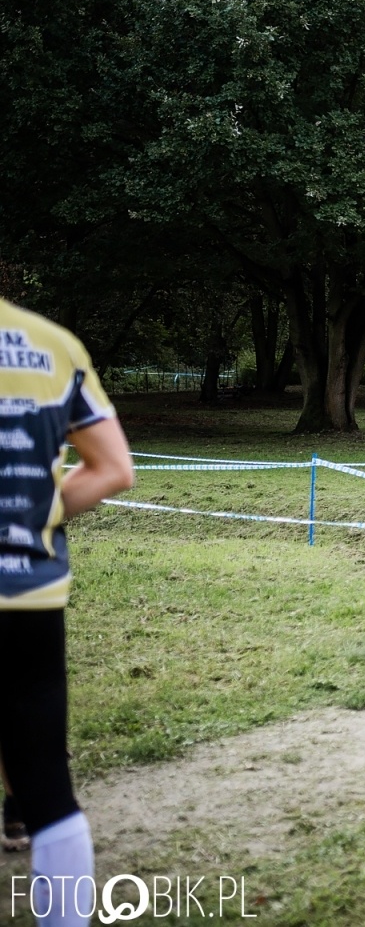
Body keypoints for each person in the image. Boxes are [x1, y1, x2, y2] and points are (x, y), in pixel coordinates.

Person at [0, 296, 135, 926]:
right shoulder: (52, 345)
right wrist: (30, 519)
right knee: (48, 784)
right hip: (28, 591)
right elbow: (113, 469)